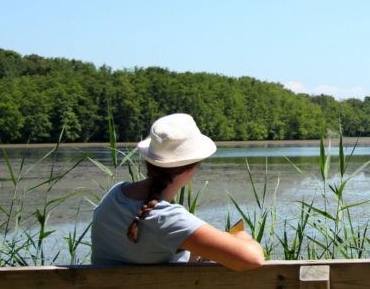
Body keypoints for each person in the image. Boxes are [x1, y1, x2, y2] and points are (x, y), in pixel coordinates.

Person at [91, 113, 265, 270]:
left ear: (149, 162)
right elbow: (253, 259)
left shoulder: (114, 195)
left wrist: (193, 250)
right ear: (191, 168)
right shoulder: (167, 218)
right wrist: (241, 236)